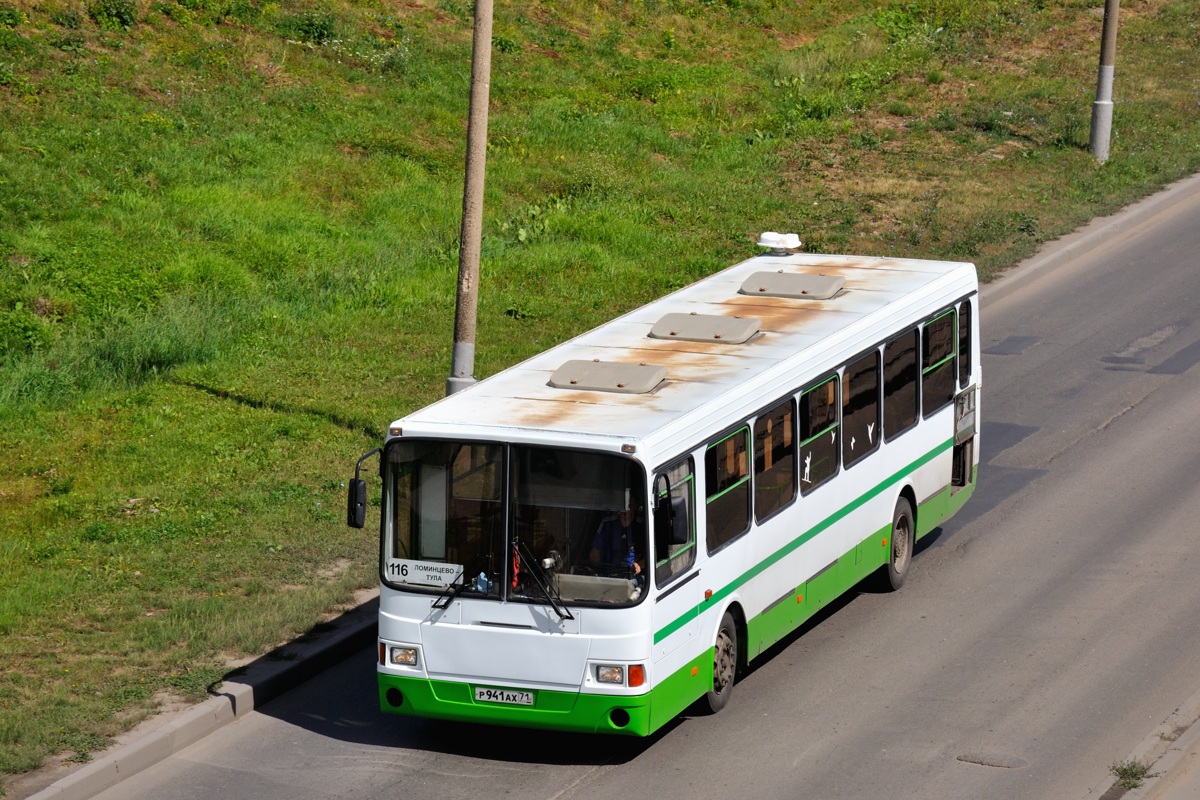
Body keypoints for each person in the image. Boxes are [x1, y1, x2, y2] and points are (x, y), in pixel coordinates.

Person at [590, 506, 643, 579]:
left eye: (629, 505)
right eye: (623, 505)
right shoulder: (607, 523)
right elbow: (595, 553)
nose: (626, 510)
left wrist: (639, 565)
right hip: (608, 574)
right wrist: (597, 570)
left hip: (633, 575)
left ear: (635, 506)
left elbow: (653, 555)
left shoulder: (643, 525)